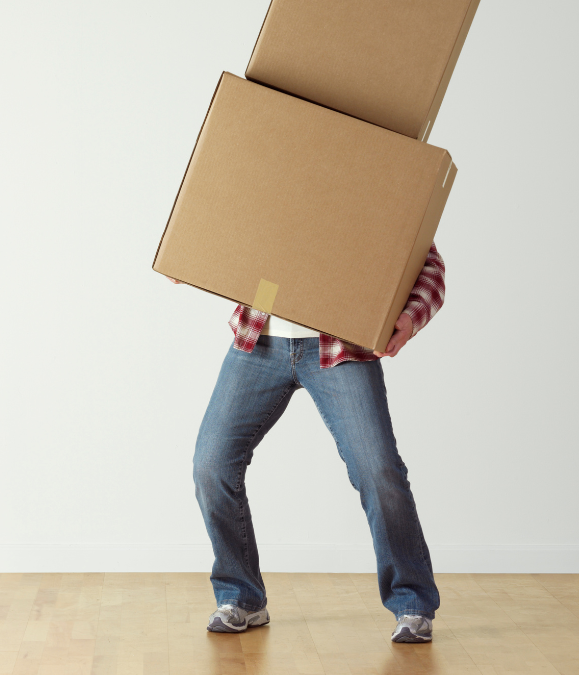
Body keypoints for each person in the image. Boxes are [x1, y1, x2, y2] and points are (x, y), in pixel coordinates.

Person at [168, 243, 445, 644]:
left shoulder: (375, 182)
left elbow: (428, 262)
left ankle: (413, 603)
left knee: (378, 469)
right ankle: (242, 598)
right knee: (211, 466)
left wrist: (409, 317)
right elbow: (223, 227)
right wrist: (195, 256)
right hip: (260, 340)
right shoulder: (261, 179)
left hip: (340, 344)